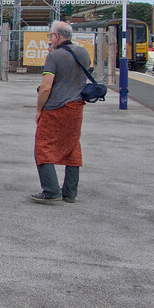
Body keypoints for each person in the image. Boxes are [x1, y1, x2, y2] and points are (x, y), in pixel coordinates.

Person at [31, 20, 91, 204]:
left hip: (55, 109)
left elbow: (46, 88)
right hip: (76, 109)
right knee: (72, 148)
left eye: (50, 35)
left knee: (43, 147)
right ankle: (70, 193)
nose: (50, 38)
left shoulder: (54, 56)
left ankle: (51, 190)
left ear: (57, 36)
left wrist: (39, 110)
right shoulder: (83, 53)